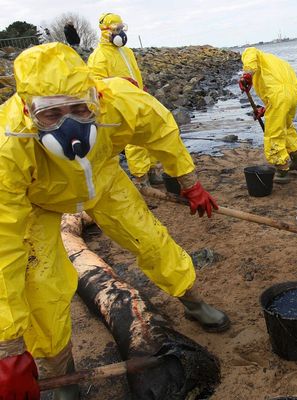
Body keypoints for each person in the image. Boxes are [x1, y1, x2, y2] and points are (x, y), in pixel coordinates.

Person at [0, 43, 230, 400]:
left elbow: (162, 130)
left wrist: (189, 182)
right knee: (42, 285)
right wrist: (9, 349)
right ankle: (64, 374)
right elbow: (4, 245)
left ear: (95, 97)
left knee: (150, 239)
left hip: (103, 181)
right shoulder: (8, 145)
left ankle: (193, 301)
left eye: (80, 109)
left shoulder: (120, 103)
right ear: (29, 112)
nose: (70, 126)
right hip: (36, 201)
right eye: (52, 115)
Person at [87, 12, 163, 187]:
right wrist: (120, 86)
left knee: (148, 134)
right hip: (119, 103)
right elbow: (95, 84)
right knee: (134, 140)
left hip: (137, 99)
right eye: (116, 29)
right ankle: (141, 177)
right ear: (106, 31)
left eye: (122, 28)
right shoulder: (99, 56)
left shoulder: (126, 52)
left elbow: (134, 73)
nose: (120, 32)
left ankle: (153, 170)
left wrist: (141, 89)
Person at [239, 47, 297, 184]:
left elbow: (251, 53)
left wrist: (247, 75)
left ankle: (282, 170)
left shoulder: (252, 53)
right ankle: (296, 159)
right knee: (286, 125)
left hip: (279, 96)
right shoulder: (277, 62)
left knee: (273, 131)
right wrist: (266, 109)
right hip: (293, 94)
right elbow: (282, 87)